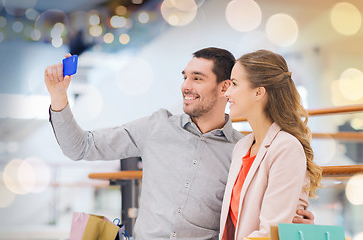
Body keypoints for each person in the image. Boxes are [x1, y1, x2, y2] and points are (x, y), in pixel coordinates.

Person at [44, 47, 314, 240]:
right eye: (185, 76)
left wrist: (294, 220)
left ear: (224, 88)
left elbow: (259, 212)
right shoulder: (156, 127)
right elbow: (80, 147)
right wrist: (59, 97)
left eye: (197, 78)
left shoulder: (240, 148)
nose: (185, 85)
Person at [219, 49, 322, 240]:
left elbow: (270, 233)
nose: (227, 92)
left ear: (259, 92)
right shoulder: (242, 147)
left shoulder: (286, 148)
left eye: (234, 84)